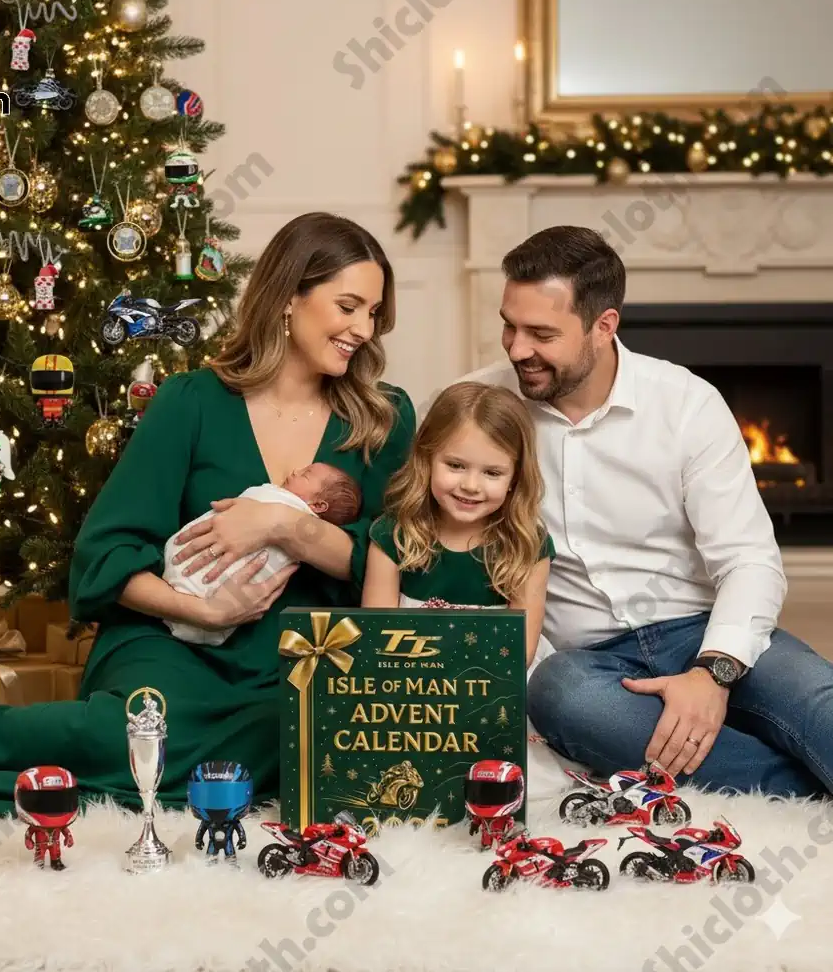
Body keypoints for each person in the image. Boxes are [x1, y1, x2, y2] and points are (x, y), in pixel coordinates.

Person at [0, 212, 416, 815]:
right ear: (289, 296)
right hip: (172, 642)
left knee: (304, 740)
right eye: (348, 306)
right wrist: (203, 608)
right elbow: (105, 557)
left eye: (374, 314)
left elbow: (408, 567)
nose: (363, 329)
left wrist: (286, 527)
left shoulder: (385, 420)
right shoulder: (190, 402)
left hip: (303, 656)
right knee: (132, 738)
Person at [456, 224, 832, 798]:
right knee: (561, 698)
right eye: (509, 325)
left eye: (541, 333)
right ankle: (800, 789)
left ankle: (732, 740)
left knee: (816, 699)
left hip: (701, 630)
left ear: (604, 327)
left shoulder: (686, 403)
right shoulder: (481, 407)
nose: (516, 348)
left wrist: (713, 673)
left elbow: (750, 560)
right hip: (589, 664)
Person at [361, 380, 553, 670]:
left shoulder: (527, 543)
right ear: (426, 459)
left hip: (496, 686)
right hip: (408, 682)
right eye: (455, 466)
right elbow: (376, 640)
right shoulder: (393, 535)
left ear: (515, 478)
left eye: (492, 472)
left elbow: (519, 654)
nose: (471, 486)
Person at [161, 462, 361, 645]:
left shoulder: (294, 512)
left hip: (206, 600)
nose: (294, 471)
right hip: (186, 607)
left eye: (305, 474)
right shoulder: (275, 499)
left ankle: (189, 588)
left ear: (318, 506)